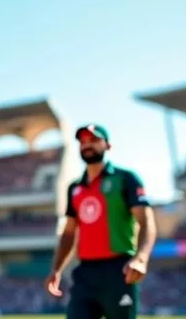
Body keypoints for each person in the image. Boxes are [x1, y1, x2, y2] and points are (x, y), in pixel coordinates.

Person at [45, 124, 157, 319]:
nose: (87, 145)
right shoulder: (74, 188)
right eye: (83, 141)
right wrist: (57, 269)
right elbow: (69, 232)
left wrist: (141, 258)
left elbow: (146, 221)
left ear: (108, 146)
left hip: (119, 270)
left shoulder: (125, 179)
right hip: (85, 273)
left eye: (94, 140)